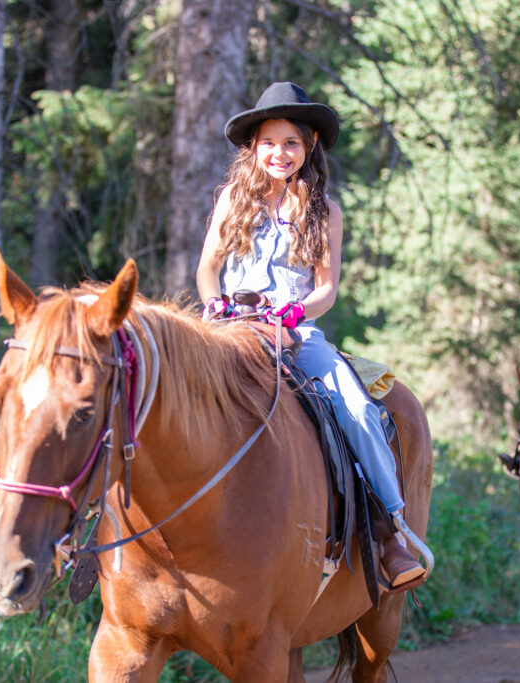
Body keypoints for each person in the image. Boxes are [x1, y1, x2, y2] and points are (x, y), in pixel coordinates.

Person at [196, 81, 431, 590]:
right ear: (253, 148)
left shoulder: (324, 212)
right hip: (229, 327)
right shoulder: (233, 201)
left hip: (295, 332)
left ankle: (389, 529)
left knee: (358, 408)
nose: (279, 153)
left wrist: (293, 311)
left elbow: (326, 288)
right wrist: (216, 304)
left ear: (309, 148)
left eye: (291, 143)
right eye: (269, 143)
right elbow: (207, 269)